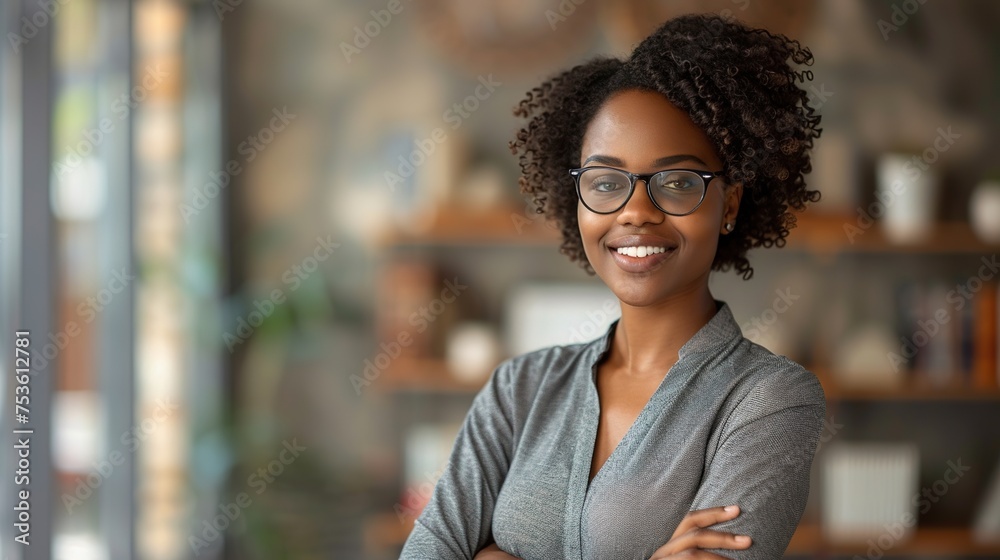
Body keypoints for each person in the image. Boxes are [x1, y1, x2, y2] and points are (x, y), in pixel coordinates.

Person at [399, 12, 826, 560]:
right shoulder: (519, 390)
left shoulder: (768, 401)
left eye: (676, 182)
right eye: (605, 182)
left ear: (731, 203)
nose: (636, 212)